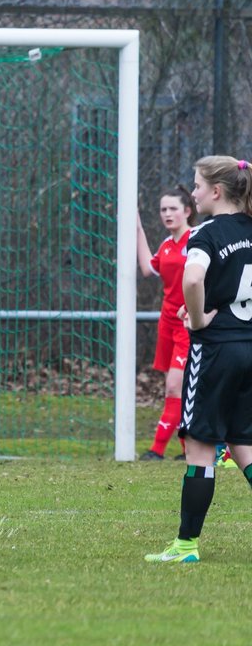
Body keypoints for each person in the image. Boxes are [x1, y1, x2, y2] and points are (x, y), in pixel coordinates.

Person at [146, 156, 252, 563]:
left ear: (216, 192)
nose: (192, 193)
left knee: (200, 447)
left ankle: (186, 546)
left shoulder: (207, 232)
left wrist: (197, 315)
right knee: (243, 444)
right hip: (249, 346)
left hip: (217, 349)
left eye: (196, 186)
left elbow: (192, 279)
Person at [134, 186, 197, 460]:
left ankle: (156, 450)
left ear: (187, 211)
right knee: (176, 388)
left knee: (175, 385)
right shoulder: (166, 245)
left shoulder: (197, 240)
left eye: (173, 208)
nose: (168, 214)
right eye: (163, 209)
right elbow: (149, 268)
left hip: (189, 323)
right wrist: (136, 226)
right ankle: (186, 450)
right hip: (167, 323)